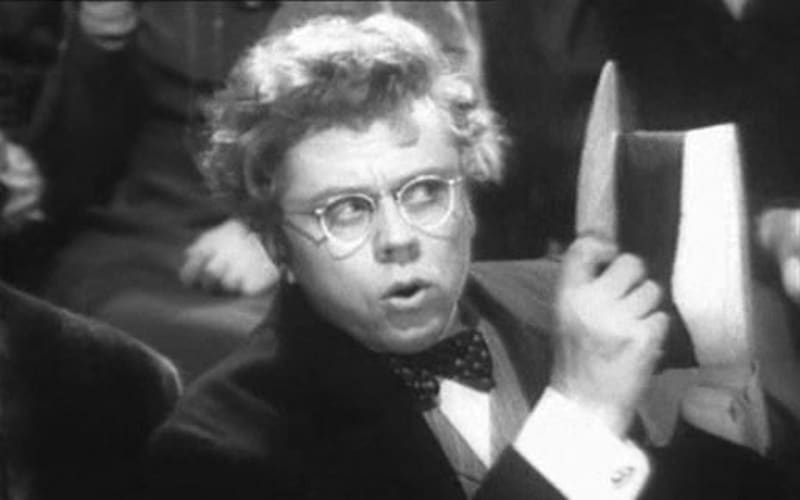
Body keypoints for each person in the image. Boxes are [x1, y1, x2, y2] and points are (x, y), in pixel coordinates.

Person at [145, 13, 788, 499]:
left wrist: (718, 397)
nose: (397, 238)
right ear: (275, 244)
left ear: (471, 198)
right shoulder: (218, 450)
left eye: (425, 192)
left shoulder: (566, 304)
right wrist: (583, 415)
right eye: (345, 211)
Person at [37, 1, 481, 382]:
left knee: (288, 356)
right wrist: (100, 42)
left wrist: (272, 232)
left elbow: (448, 148)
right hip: (144, 235)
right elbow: (67, 174)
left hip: (322, 233)